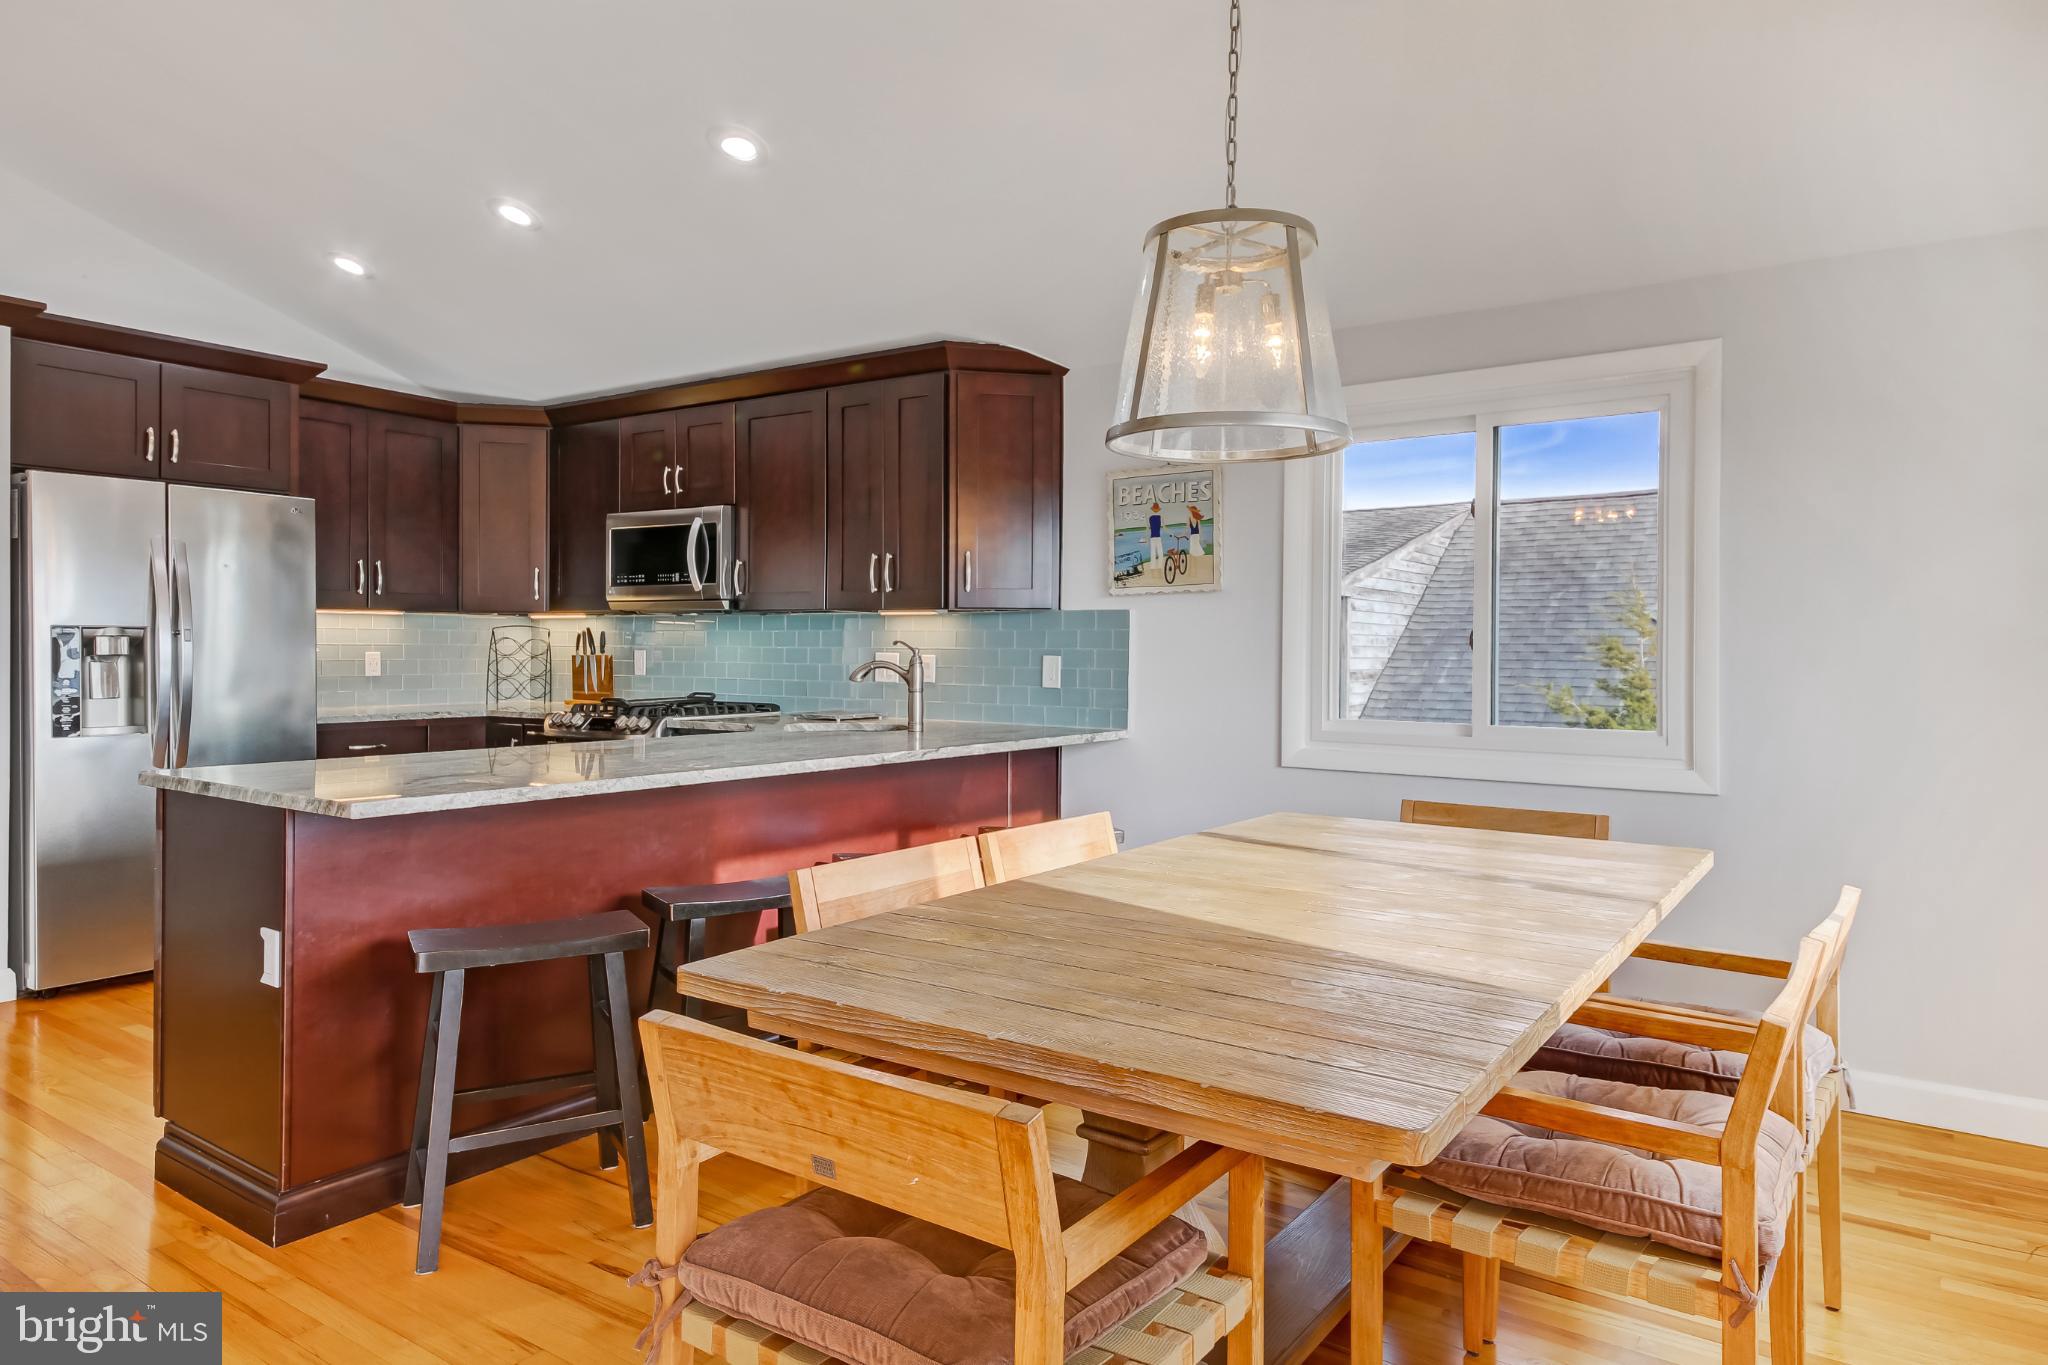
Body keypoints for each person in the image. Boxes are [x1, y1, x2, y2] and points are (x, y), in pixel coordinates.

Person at [1147, 502, 1164, 567]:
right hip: (1158, 537)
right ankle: (1160, 565)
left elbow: (1148, 528)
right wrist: (1171, 533)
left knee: (1153, 552)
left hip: (1152, 537)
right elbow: (1164, 527)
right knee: (1160, 552)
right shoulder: (1160, 517)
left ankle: (1153, 566)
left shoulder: (1150, 518)